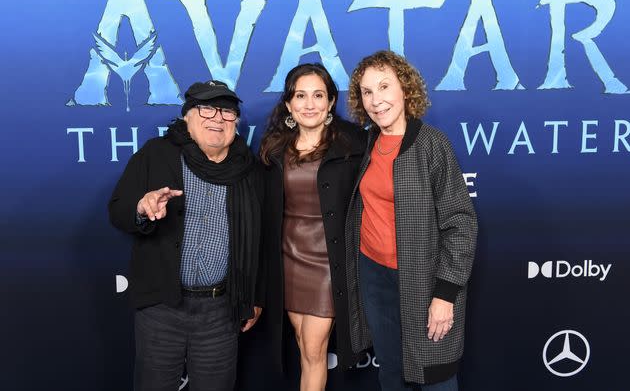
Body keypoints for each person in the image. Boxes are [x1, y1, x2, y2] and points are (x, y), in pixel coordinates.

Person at [108, 80, 264, 391]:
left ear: (236, 122)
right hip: (162, 306)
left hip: (222, 311)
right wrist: (142, 207)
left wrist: (255, 297)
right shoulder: (157, 154)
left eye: (227, 112)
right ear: (187, 117)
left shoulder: (250, 170)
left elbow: (263, 239)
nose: (217, 118)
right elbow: (118, 210)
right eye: (206, 109)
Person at [345, 51, 477, 391]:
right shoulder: (367, 142)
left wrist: (445, 295)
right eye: (367, 92)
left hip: (423, 279)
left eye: (384, 87)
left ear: (405, 88)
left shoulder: (432, 145)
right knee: (391, 371)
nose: (376, 100)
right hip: (374, 274)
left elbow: (461, 223)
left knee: (436, 375)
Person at [259, 63, 367, 390]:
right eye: (300, 96)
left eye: (318, 95)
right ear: (289, 104)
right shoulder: (274, 148)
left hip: (328, 264)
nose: (309, 104)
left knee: (313, 346)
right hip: (289, 259)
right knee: (304, 345)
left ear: (331, 101)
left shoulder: (355, 143)